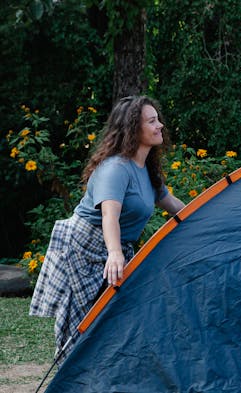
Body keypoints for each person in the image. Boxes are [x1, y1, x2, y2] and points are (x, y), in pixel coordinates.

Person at [29, 95, 186, 363]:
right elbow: (109, 216)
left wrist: (204, 218)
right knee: (84, 323)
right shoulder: (115, 168)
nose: (160, 125)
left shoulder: (147, 170)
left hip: (114, 247)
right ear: (133, 129)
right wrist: (115, 253)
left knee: (120, 318)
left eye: (158, 119)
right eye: (151, 121)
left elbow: (173, 205)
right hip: (85, 246)